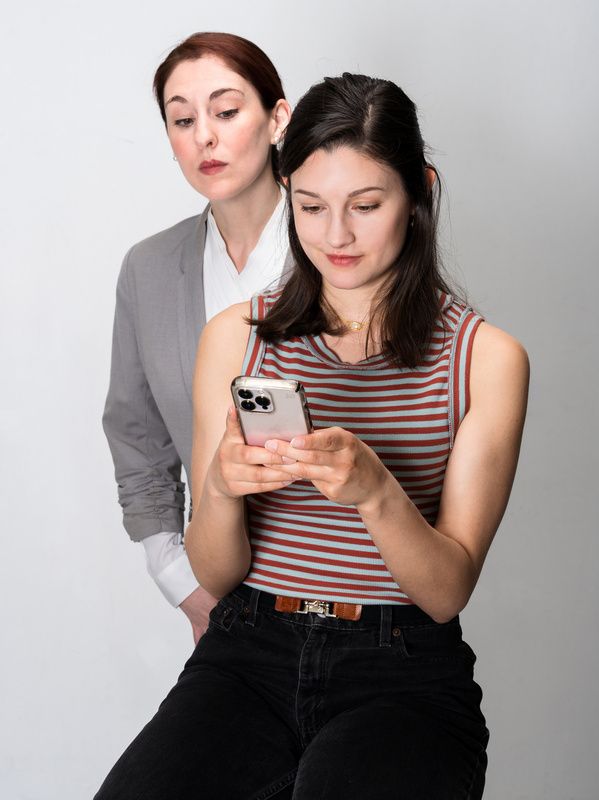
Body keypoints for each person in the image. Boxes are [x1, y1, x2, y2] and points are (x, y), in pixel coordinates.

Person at [96, 73, 529, 799]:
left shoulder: (486, 359)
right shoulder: (236, 337)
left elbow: (447, 590)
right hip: (247, 655)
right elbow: (215, 572)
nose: (336, 235)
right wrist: (223, 488)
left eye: (366, 205)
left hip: (403, 673)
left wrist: (375, 491)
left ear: (419, 190)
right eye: (310, 206)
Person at [102, 32, 292, 641]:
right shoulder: (150, 268)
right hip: (224, 598)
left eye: (227, 111)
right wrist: (184, 585)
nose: (203, 136)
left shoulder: (341, 251)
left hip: (354, 596)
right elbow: (137, 434)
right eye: (182, 119)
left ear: (277, 119)